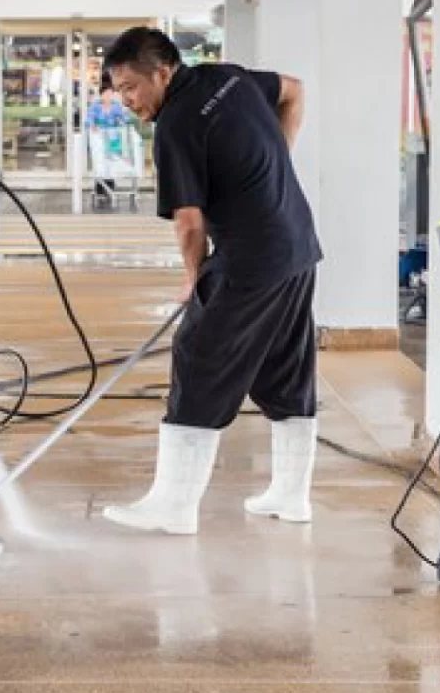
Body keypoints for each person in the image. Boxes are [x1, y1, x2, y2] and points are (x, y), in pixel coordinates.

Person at [101, 27, 321, 535]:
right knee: (283, 367)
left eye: (132, 87)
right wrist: (276, 169)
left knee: (198, 356)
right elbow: (293, 89)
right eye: (119, 91)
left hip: (251, 257)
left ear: (162, 72)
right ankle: (292, 496)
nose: (128, 101)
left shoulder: (176, 125)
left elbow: (190, 222)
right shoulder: (228, 77)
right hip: (296, 243)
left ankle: (173, 506)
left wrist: (192, 278)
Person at [84, 77, 128, 204]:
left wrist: (120, 123)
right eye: (106, 93)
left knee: (110, 163)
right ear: (101, 94)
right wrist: (93, 125)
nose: (108, 96)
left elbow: (124, 120)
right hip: (98, 140)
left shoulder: (116, 107)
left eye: (110, 93)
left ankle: (110, 188)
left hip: (113, 139)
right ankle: (100, 189)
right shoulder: (95, 106)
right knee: (100, 163)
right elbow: (88, 120)